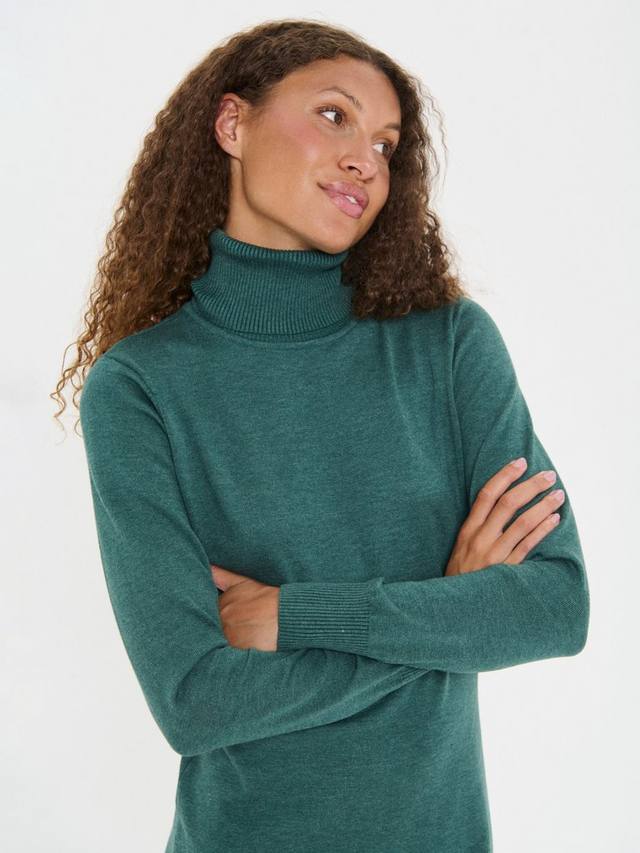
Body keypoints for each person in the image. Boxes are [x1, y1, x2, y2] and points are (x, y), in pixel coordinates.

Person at [51, 18, 590, 853]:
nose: (365, 160)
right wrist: (447, 605)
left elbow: (555, 606)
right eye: (335, 116)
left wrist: (296, 615)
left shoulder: (449, 346)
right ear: (232, 124)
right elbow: (195, 699)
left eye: (386, 144)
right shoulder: (141, 387)